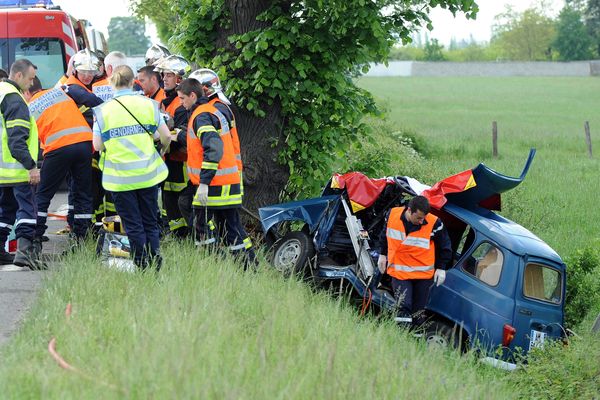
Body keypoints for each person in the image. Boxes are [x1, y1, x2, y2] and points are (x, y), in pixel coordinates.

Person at [92, 65, 171, 270]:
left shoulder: (102, 111)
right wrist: (161, 149)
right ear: (132, 81)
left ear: (111, 83)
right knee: (150, 221)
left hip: (119, 179)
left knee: (133, 224)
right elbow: (166, 135)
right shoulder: (149, 105)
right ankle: (156, 260)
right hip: (147, 174)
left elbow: (97, 145)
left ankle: (141, 264)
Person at [177, 73, 255, 266]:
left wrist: (203, 183)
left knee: (202, 224)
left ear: (193, 96)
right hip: (227, 181)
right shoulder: (213, 110)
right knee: (231, 228)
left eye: (182, 98)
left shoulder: (202, 115)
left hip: (214, 184)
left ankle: (213, 263)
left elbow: (214, 148)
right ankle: (248, 266)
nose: (180, 103)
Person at [28, 76, 93, 248]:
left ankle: (35, 239)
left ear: (27, 91)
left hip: (59, 148)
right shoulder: (59, 93)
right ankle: (81, 239)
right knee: (82, 193)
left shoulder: (30, 106)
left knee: (43, 194)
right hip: (85, 142)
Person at [377, 195, 452, 328]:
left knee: (418, 312)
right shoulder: (392, 215)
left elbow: (445, 246)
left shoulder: (435, 223)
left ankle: (414, 338)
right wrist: (382, 254)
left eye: (423, 218)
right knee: (404, 305)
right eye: (418, 217)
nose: (421, 221)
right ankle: (401, 336)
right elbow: (385, 235)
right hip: (400, 273)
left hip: (423, 276)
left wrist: (441, 268)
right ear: (409, 210)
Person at [0, 59, 43, 269]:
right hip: (16, 170)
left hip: (2, 170)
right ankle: (24, 252)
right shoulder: (15, 100)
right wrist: (31, 166)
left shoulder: (1, 92)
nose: (32, 82)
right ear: (18, 76)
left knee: (5, 211)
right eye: (30, 78)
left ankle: (0, 250)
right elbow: (17, 141)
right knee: (27, 209)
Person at [154, 55, 191, 237]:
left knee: (181, 199)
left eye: (169, 75)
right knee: (168, 199)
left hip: (181, 162)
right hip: (167, 159)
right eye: (164, 75)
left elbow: (180, 135)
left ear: (179, 79)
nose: (164, 79)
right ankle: (176, 233)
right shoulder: (164, 101)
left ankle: (188, 234)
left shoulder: (181, 104)